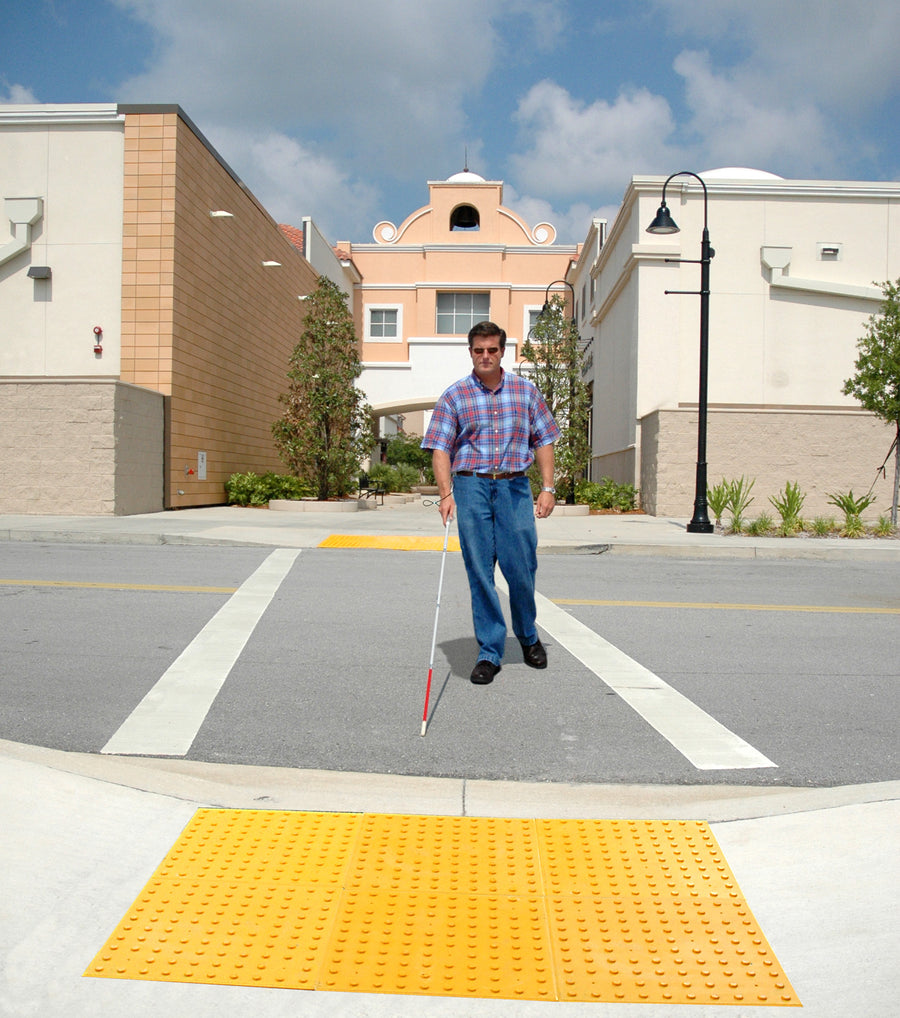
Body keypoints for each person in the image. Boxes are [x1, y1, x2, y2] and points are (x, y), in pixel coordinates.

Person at [422, 321, 561, 685]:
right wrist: (446, 494)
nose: (486, 356)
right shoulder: (454, 396)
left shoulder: (526, 392)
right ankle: (489, 651)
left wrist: (548, 487)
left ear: (503, 351)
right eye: (479, 350)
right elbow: (440, 447)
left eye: (492, 350)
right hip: (471, 490)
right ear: (471, 352)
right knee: (480, 572)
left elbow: (544, 438)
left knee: (521, 568)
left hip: (515, 488)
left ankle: (528, 637)